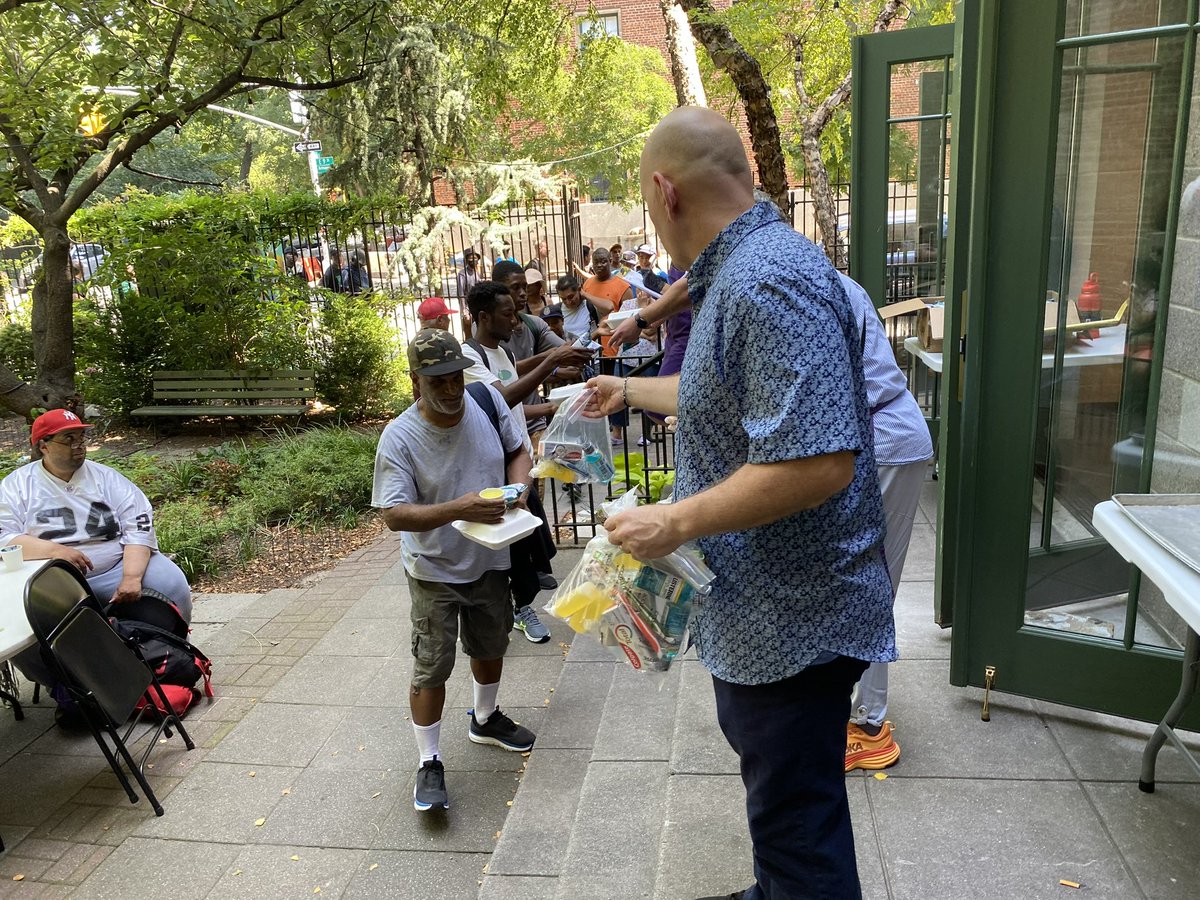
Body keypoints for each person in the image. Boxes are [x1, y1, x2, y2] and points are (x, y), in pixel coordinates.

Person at [585, 107, 894, 900]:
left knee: (799, 825)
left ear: (664, 190)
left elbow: (819, 460)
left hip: (791, 622)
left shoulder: (767, 280)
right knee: (789, 810)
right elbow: (730, 392)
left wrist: (674, 520)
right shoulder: (747, 270)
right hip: (772, 615)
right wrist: (625, 387)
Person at [613, 265, 933, 771]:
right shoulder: (765, 277)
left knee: (872, 582)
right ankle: (848, 707)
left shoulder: (778, 287)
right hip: (870, 433)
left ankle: (869, 724)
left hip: (884, 436)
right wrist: (636, 388)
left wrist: (679, 519)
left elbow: (809, 458)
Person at [372, 329, 537, 813]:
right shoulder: (400, 437)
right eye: (436, 380)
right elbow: (394, 515)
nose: (449, 390)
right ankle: (429, 762)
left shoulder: (486, 401)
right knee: (433, 664)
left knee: (491, 644)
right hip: (434, 567)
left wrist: (519, 488)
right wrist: (460, 508)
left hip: (491, 556)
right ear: (414, 382)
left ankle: (484, 718)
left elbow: (519, 451)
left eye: (454, 378)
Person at [2, 409, 194, 716]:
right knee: (21, 624)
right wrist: (54, 551)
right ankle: (66, 688)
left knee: (170, 582)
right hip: (50, 578)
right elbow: (4, 536)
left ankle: (158, 659)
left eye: (81, 437)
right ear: (43, 445)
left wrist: (131, 576)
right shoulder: (17, 486)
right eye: (68, 439)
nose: (79, 445)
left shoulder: (106, 478)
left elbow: (138, 525)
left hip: (116, 564)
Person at [461, 281, 589, 642]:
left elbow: (518, 373)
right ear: (483, 317)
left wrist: (560, 368)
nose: (515, 321)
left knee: (528, 546)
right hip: (495, 467)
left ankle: (514, 604)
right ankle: (516, 610)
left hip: (519, 460)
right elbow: (501, 397)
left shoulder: (500, 353)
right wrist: (552, 360)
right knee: (513, 554)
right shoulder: (469, 356)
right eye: (507, 314)